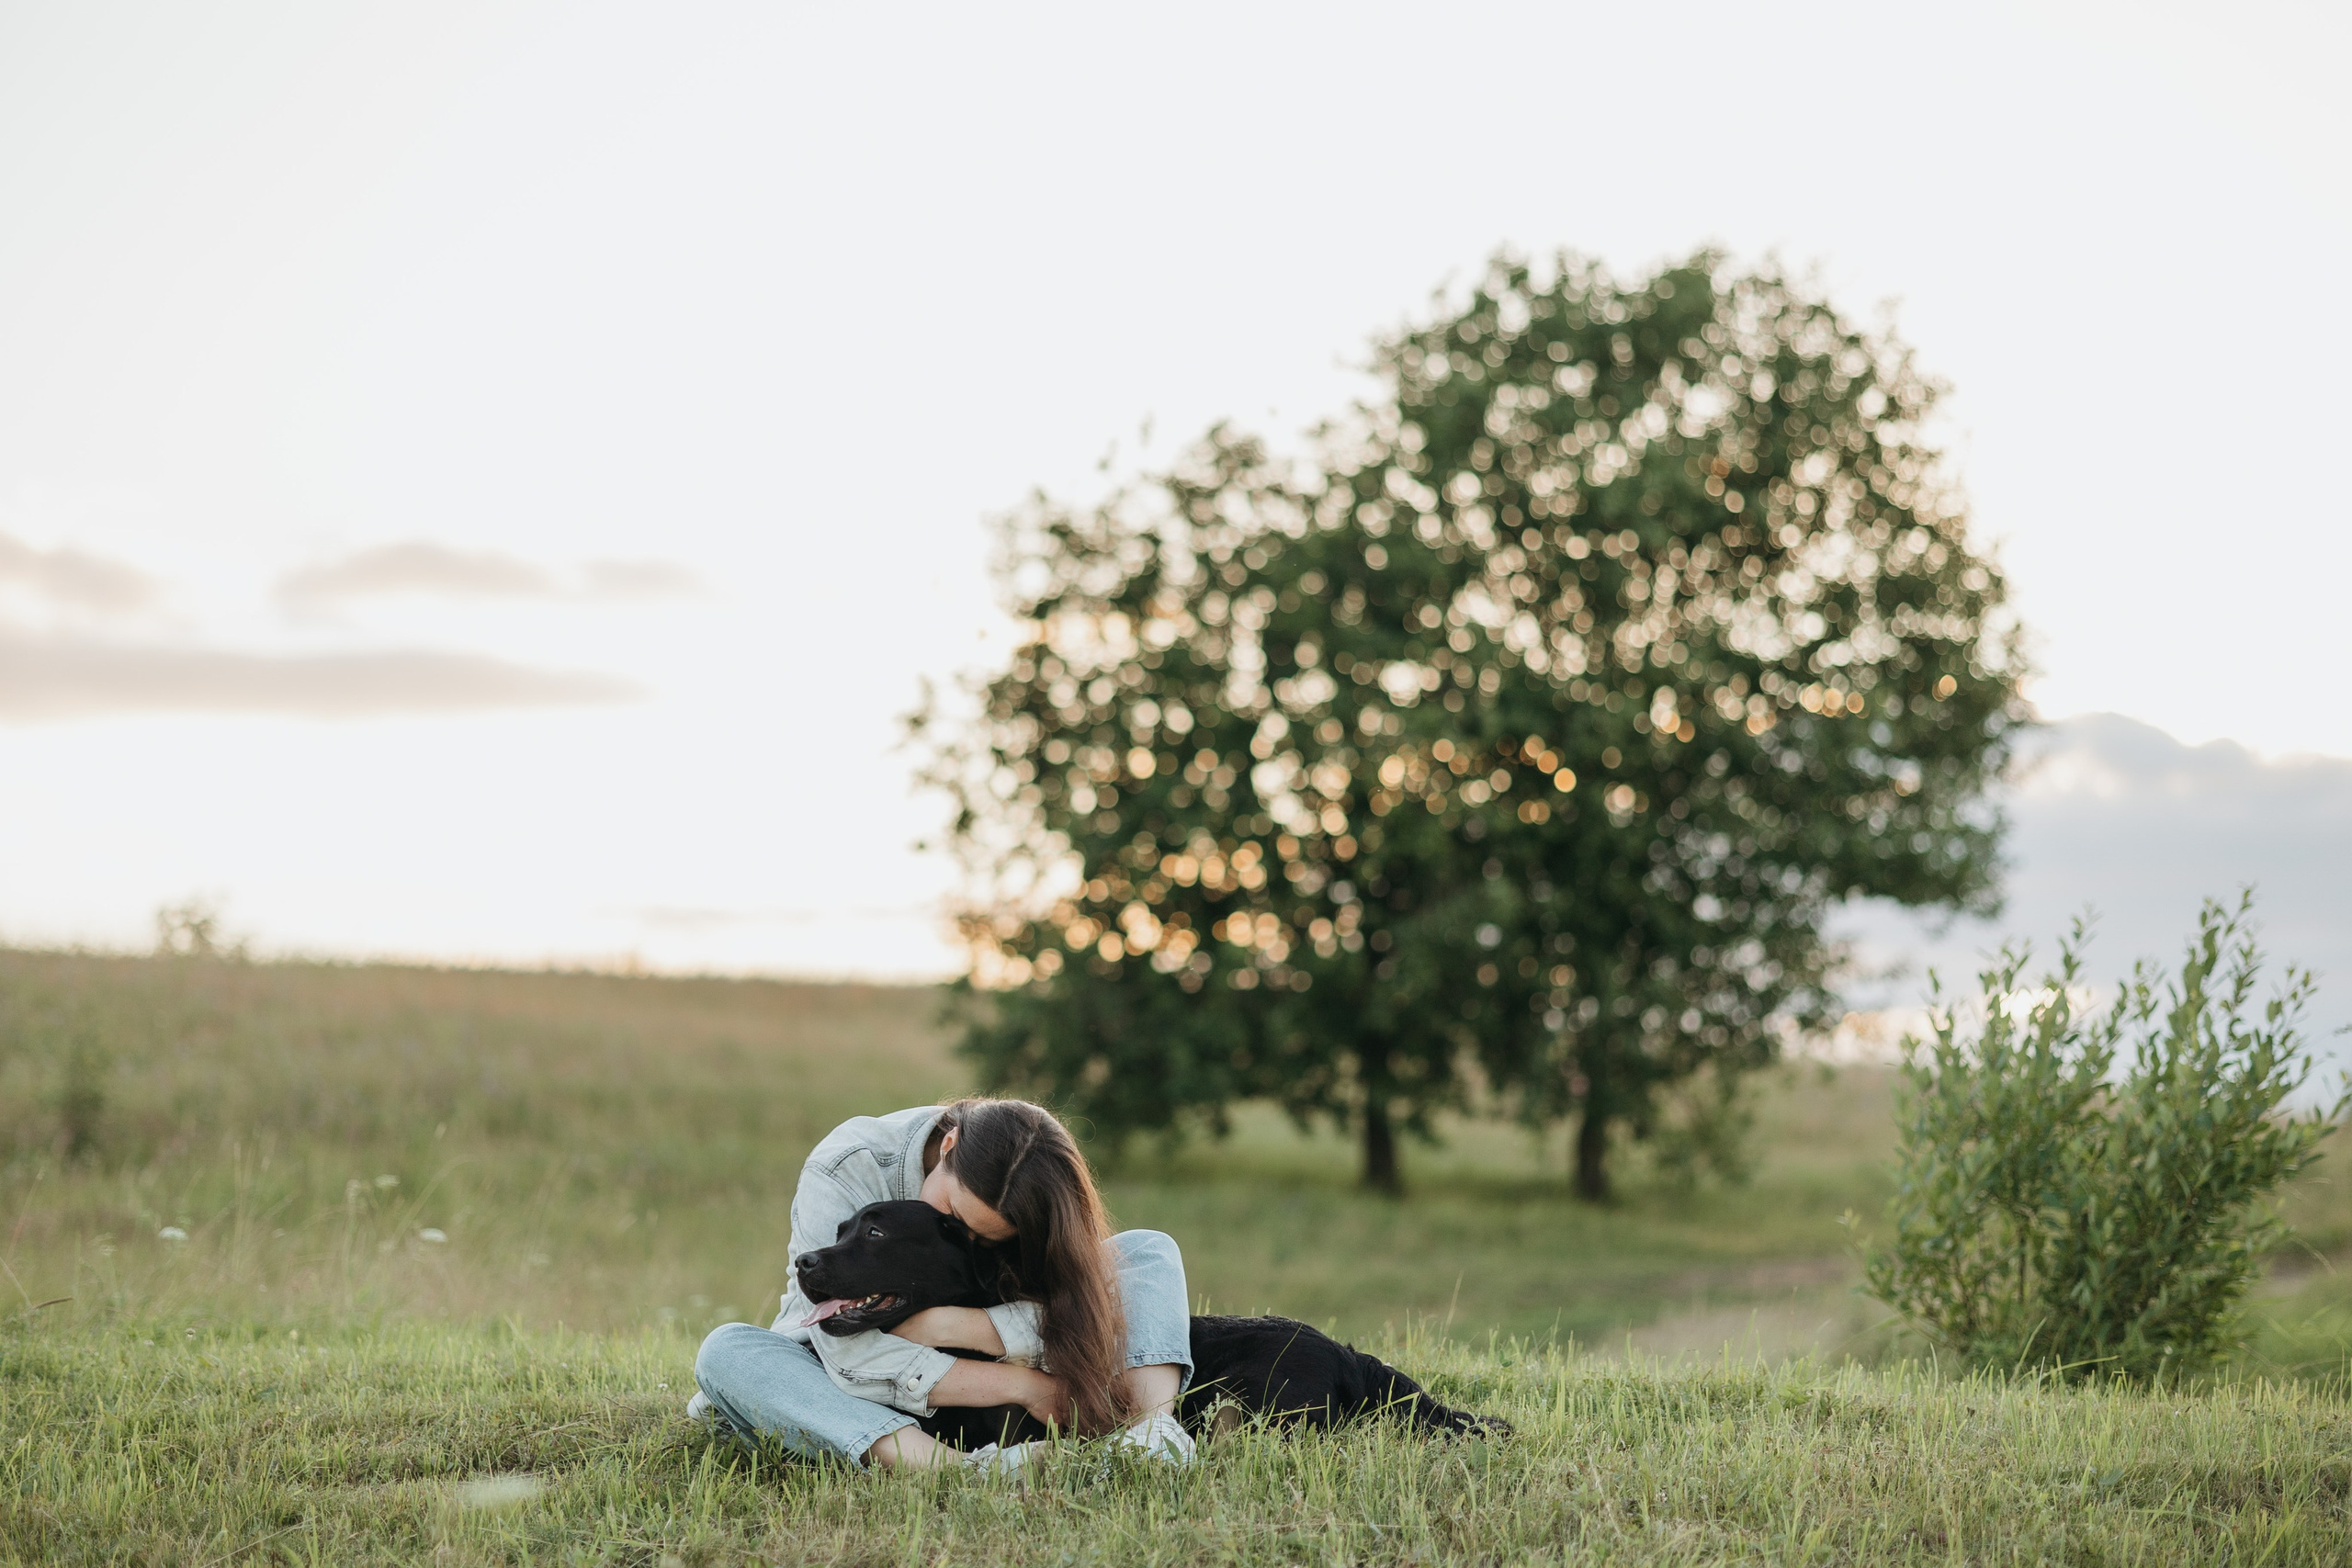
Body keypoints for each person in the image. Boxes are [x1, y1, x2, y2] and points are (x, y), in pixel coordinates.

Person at [690, 1097, 1194, 1472]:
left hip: (966, 1369)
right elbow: (847, 1356)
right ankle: (963, 1474)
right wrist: (1026, 1386)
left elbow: (1079, 1309)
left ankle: (1151, 1435)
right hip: (826, 1374)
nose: (959, 1235)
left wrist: (957, 1325)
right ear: (948, 1145)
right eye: (953, 1212)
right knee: (726, 1349)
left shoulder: (1030, 1200)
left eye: (987, 1239)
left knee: (1147, 1250)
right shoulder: (850, 1165)